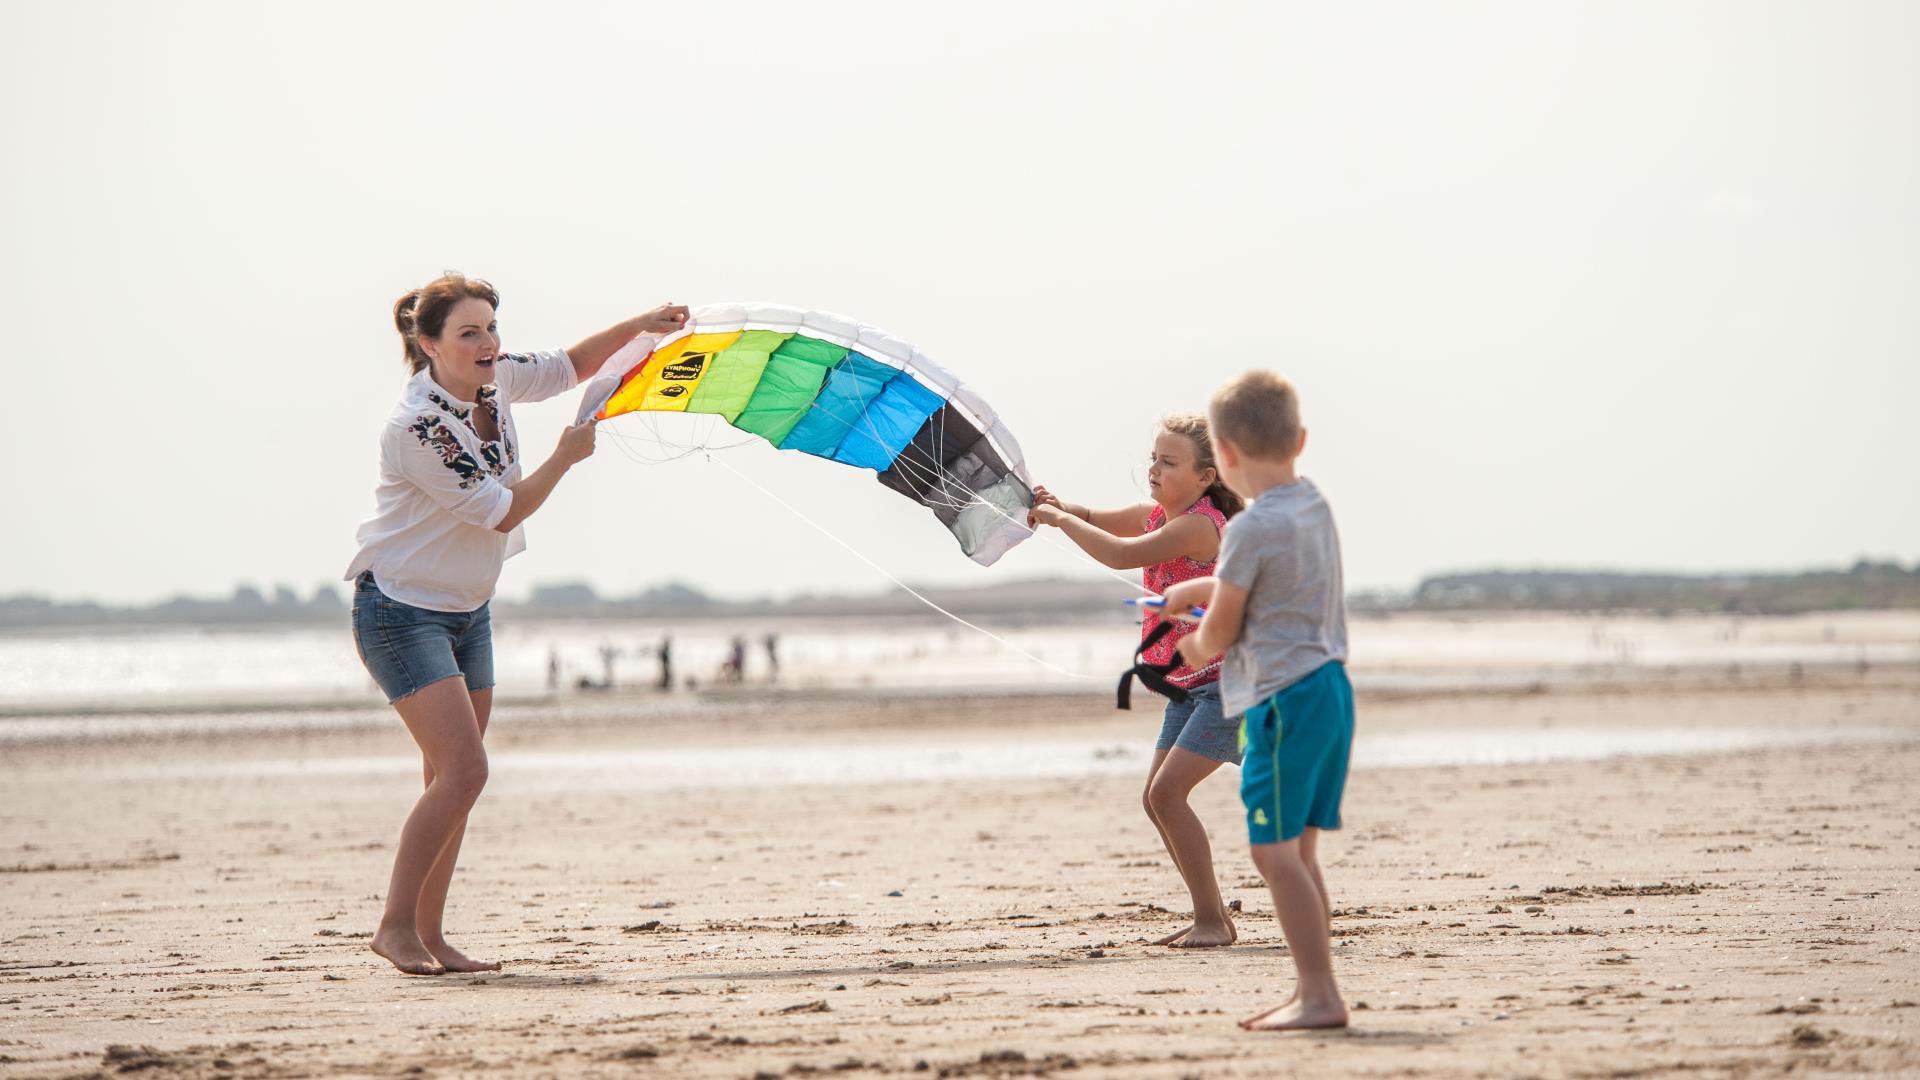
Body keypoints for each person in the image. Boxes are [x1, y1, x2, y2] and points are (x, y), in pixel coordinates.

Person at [345, 272, 687, 975]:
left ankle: (430, 935)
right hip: (401, 612)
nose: (488, 344)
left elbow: (569, 367)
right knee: (465, 773)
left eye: (491, 329)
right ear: (427, 342)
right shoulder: (418, 426)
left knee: (448, 779)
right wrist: (565, 457)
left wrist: (644, 323)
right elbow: (501, 509)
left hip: (468, 611)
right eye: (469, 333)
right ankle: (393, 927)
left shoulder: (497, 383)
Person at [1164, 371, 1352, 1030]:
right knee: (1296, 854)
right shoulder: (1313, 505)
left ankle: (1321, 996)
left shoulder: (1246, 530)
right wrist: (1198, 591)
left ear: (1227, 456)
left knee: (1273, 855)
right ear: (1299, 439)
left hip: (1280, 700)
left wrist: (1192, 644)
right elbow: (1268, 583)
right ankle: (1315, 987)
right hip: (1330, 691)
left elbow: (1224, 629)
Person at [1026, 414, 1244, 948]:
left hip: (1229, 684)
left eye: (1169, 462)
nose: (1154, 469)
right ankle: (1212, 916)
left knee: (1169, 795)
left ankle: (1212, 922)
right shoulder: (1156, 515)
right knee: (1155, 799)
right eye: (1154, 458)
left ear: (1205, 477)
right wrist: (1060, 506)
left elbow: (1121, 554)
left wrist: (1059, 522)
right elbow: (1095, 517)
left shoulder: (1200, 526)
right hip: (1187, 685)